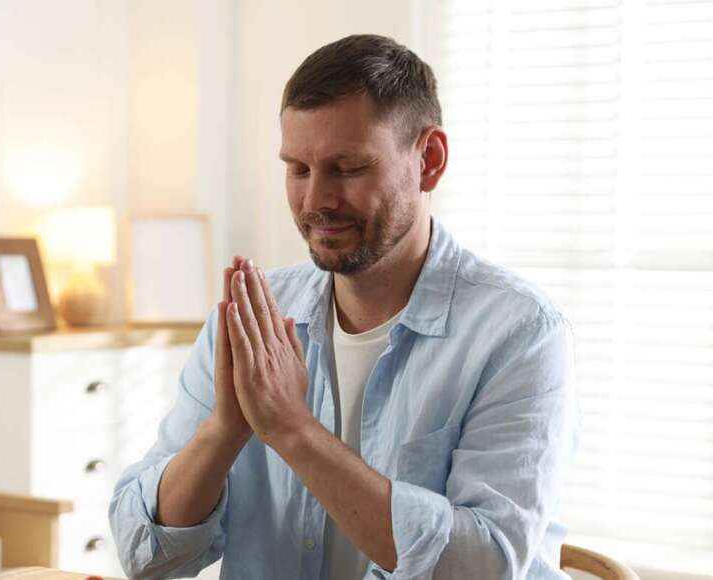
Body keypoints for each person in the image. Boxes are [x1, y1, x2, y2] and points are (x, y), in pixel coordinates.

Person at [109, 34, 578, 580]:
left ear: (429, 160)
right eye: (298, 169)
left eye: (348, 169)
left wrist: (292, 429)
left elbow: (485, 564)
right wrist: (223, 431)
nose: (315, 202)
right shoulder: (251, 323)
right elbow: (146, 555)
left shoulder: (520, 332)